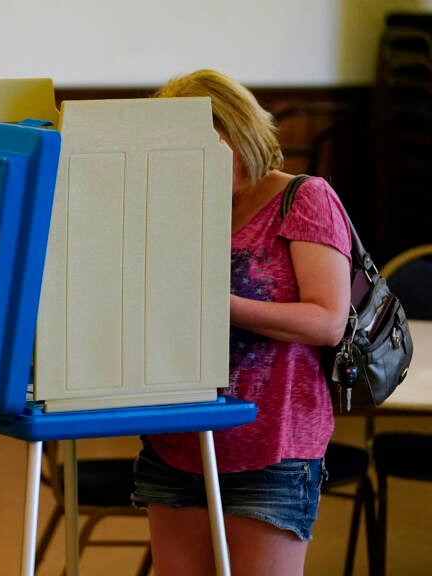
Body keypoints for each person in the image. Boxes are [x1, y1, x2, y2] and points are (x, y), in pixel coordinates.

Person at [130, 69, 353, 575]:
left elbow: (326, 321)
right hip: (178, 443)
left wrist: (218, 303)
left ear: (241, 134)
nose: (195, 167)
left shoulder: (304, 198)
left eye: (209, 148)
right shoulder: (176, 208)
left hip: (273, 452)